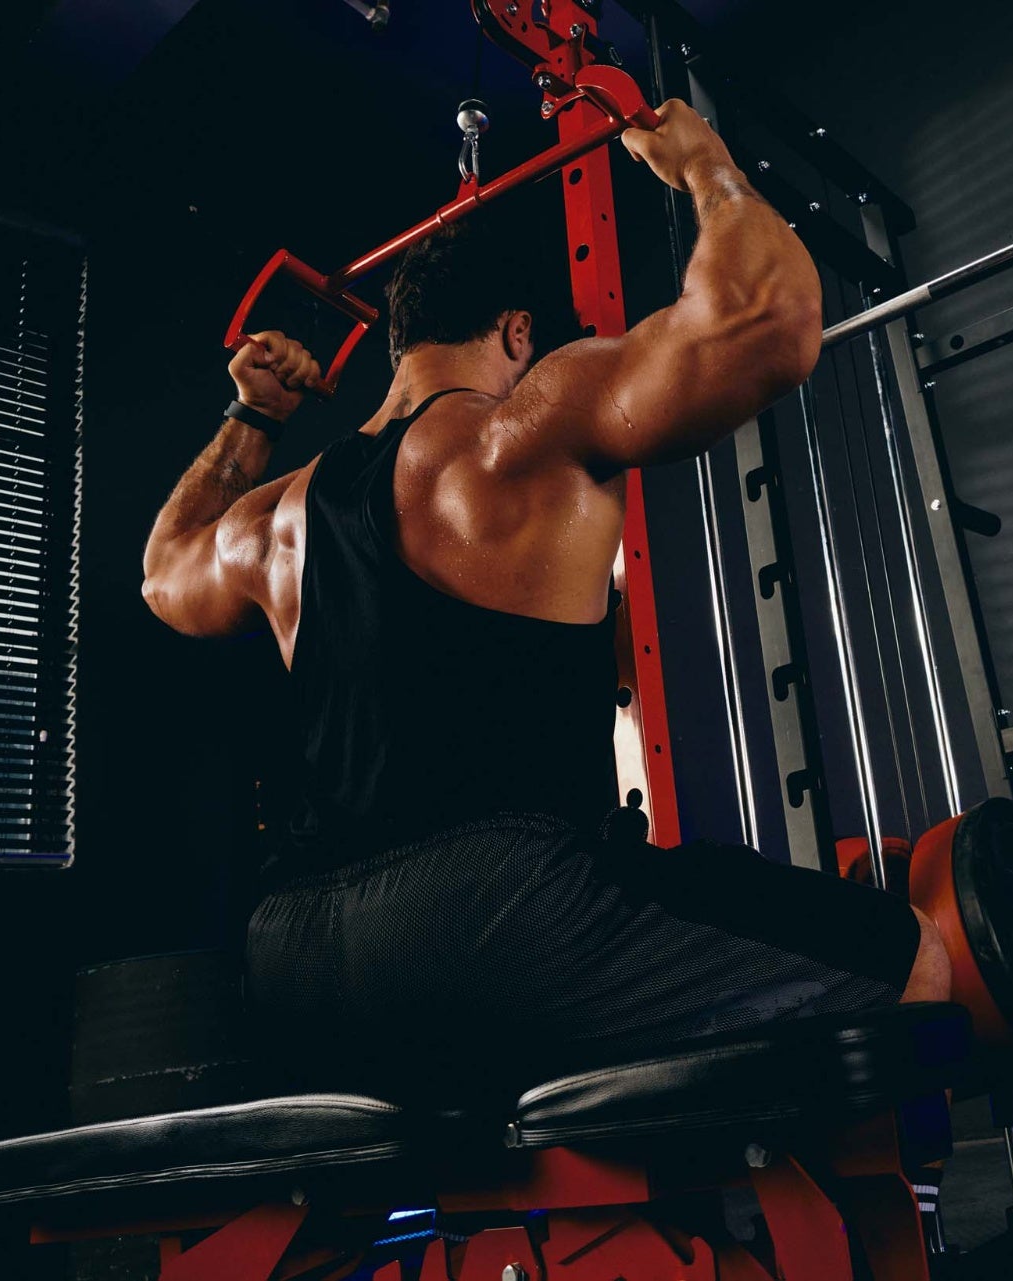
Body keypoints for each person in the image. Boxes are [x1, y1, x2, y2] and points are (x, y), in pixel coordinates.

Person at [138, 100, 951, 1090]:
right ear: (519, 331)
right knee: (916, 957)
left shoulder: (270, 517)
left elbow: (164, 569)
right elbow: (769, 323)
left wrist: (253, 414)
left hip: (292, 951)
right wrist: (706, 166)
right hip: (501, 914)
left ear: (399, 344)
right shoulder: (513, 429)